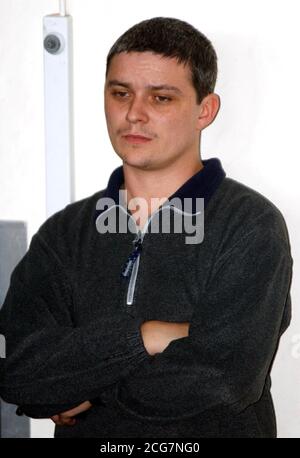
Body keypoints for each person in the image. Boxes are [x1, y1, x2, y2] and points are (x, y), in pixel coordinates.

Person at [0, 16, 293, 438]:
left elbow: (222, 379)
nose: (134, 114)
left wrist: (86, 386)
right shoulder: (64, 236)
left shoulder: (249, 226)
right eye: (121, 93)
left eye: (161, 98)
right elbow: (18, 372)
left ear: (204, 111)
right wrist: (146, 337)